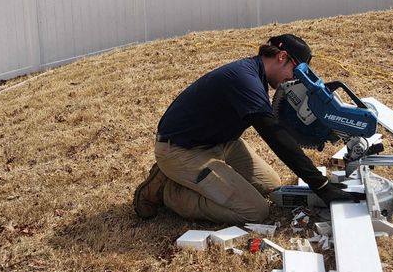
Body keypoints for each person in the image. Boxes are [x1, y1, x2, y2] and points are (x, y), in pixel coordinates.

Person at [133, 34, 354, 223]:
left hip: (220, 142)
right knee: (255, 211)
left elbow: (279, 128)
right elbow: (276, 136)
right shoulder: (244, 80)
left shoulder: (255, 75)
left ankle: (192, 178)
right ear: (282, 57)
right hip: (181, 150)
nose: (294, 79)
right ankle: (167, 191)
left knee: (271, 184)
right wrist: (321, 185)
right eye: (296, 71)